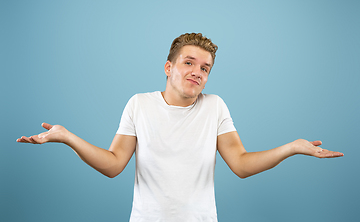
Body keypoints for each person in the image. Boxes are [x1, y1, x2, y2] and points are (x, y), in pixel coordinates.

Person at [17, 33, 343, 222]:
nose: (198, 72)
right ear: (168, 67)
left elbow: (241, 164)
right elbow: (114, 164)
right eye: (189, 63)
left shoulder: (214, 106)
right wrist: (66, 137)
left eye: (205, 68)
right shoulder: (139, 104)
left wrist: (291, 148)